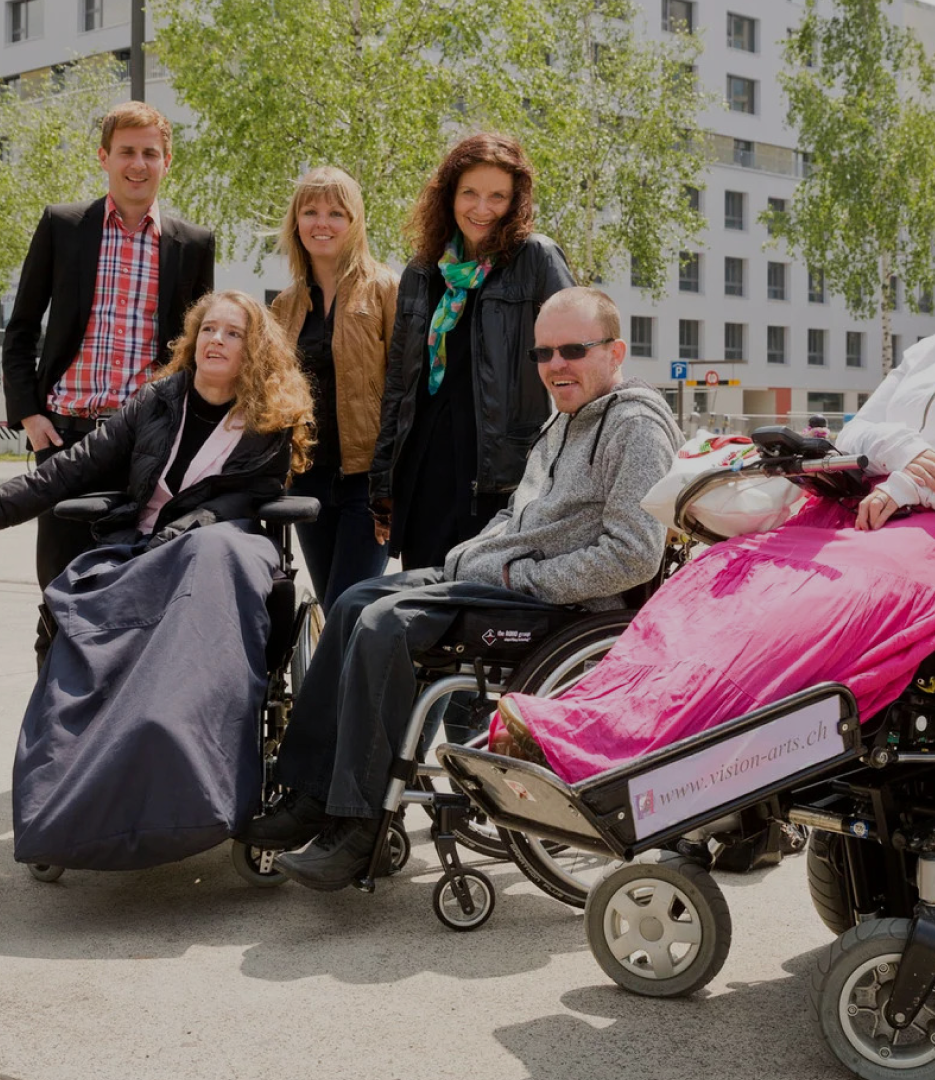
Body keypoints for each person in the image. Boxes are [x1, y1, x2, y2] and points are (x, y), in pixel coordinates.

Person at [492, 194, 935, 788]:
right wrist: (903, 452)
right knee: (722, 570)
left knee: (797, 607)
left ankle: (613, 755)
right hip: (864, 516)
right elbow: (863, 428)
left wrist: (931, 486)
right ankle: (585, 718)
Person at [242, 288, 682, 889]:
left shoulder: (635, 428)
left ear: (616, 352)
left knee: (387, 624)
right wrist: (468, 558)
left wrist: (519, 576)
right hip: (499, 579)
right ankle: (311, 794)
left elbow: (633, 555)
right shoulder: (563, 418)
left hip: (561, 607)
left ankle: (360, 825)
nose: (555, 365)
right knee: (354, 601)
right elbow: (520, 513)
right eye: (544, 353)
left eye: (573, 350)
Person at [0, 291, 314, 869]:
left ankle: (189, 783)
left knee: (210, 553)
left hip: (221, 548)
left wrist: (187, 531)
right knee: (87, 617)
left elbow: (247, 497)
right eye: (209, 329)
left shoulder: (271, 416)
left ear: (256, 350)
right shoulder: (158, 400)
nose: (217, 340)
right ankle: (74, 807)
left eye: (233, 333)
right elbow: (78, 463)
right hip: (144, 550)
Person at [1, 101, 217, 656]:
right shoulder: (63, 226)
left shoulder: (193, 243)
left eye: (150, 153)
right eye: (126, 152)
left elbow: (197, 351)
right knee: (59, 597)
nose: (138, 164)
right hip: (66, 438)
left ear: (167, 161)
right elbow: (21, 327)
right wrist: (29, 414)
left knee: (137, 596)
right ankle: (54, 703)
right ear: (104, 157)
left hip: (147, 444)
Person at [371, 133, 576, 570]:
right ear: (449, 195)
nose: (482, 209)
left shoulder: (537, 259)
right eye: (469, 193)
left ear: (515, 202)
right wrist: (383, 481)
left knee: (484, 598)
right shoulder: (421, 271)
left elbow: (577, 359)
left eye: (497, 196)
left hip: (502, 476)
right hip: (425, 469)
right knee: (421, 597)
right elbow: (399, 385)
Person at [269, 166, 398, 610]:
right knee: (331, 608)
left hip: (369, 484)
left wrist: (393, 480)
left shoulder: (385, 289)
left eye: (336, 213)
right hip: (307, 481)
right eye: (310, 212)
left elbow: (406, 389)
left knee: (349, 606)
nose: (321, 223)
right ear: (296, 222)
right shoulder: (284, 306)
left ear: (355, 222)